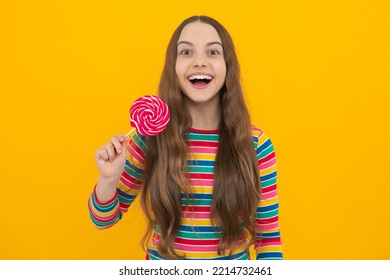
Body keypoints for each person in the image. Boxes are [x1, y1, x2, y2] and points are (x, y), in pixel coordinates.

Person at [88, 15, 283, 260]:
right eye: (186, 52)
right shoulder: (149, 138)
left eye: (212, 52)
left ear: (228, 66)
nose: (199, 62)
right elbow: (101, 220)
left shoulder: (256, 145)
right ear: (174, 67)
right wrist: (108, 180)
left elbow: (269, 237)